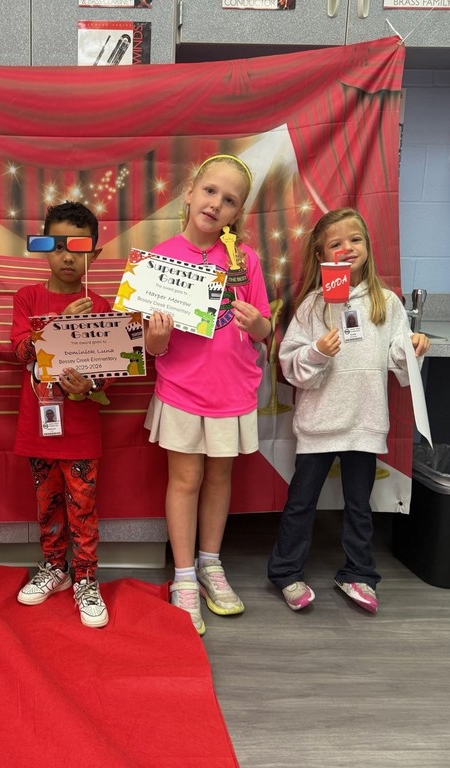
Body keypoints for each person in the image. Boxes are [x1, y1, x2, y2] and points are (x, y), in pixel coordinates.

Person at [267, 207, 430, 614]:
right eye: (336, 243)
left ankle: (359, 573)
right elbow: (291, 366)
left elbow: (398, 362)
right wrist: (317, 352)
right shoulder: (311, 306)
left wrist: (412, 348)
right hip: (319, 424)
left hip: (364, 421)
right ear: (321, 253)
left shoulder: (386, 303)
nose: (347, 248)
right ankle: (286, 572)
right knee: (301, 503)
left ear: (368, 246)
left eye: (355, 240)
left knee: (360, 505)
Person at [143, 155, 272, 635]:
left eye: (230, 200)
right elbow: (151, 347)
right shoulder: (159, 259)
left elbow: (264, 328)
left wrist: (257, 325)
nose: (217, 204)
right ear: (190, 193)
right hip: (182, 390)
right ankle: (183, 576)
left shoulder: (245, 260)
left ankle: (210, 564)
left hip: (232, 391)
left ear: (238, 213)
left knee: (219, 479)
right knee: (185, 480)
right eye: (210, 191)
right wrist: (157, 337)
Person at [11, 202, 112, 628]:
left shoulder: (102, 306)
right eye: (57, 246)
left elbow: (109, 375)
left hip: (82, 431)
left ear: (94, 253)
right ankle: (56, 567)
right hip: (38, 429)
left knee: (83, 509)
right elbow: (20, 351)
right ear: (44, 249)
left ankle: (86, 578)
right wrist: (56, 325)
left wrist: (88, 387)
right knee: (47, 505)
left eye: (78, 247)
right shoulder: (27, 298)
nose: (67, 256)